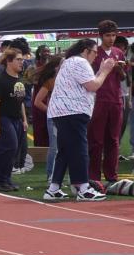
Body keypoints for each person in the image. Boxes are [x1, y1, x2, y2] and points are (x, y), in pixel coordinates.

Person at [44, 39, 117, 201]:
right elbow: (93, 86)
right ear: (86, 50)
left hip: (62, 111)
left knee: (64, 150)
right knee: (80, 149)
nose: (96, 55)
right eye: (94, 52)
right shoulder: (80, 62)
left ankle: (54, 188)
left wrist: (100, 71)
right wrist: (104, 71)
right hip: (72, 111)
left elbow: (88, 83)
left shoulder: (70, 62)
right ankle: (83, 188)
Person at [87, 20, 127, 183]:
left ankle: (111, 175)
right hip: (98, 100)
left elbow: (124, 77)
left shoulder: (119, 52)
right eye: (107, 35)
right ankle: (93, 176)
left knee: (113, 139)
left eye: (113, 35)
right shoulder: (94, 53)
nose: (111, 38)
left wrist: (119, 70)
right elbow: (88, 77)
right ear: (100, 35)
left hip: (116, 100)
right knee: (96, 140)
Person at [0, 48, 28, 192]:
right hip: (4, 118)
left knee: (14, 149)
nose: (21, 62)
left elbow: (20, 101)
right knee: (8, 146)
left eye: (22, 60)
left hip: (17, 119)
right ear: (9, 62)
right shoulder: (0, 80)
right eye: (18, 60)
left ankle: (6, 179)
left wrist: (24, 119)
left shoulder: (19, 80)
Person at [32, 55, 63, 182]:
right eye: (63, 64)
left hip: (66, 117)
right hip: (55, 118)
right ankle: (51, 175)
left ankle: (58, 175)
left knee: (63, 148)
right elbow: (38, 101)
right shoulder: (51, 81)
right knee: (55, 147)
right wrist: (51, 110)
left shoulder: (68, 80)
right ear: (57, 67)